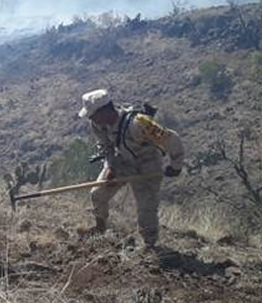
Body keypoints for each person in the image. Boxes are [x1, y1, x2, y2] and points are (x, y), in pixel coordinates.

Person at [77, 89, 184, 248]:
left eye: (93, 114)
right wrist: (110, 167)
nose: (91, 117)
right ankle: (100, 227)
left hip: (148, 166)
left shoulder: (140, 123)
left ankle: (149, 245)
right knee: (98, 193)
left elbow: (171, 139)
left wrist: (176, 165)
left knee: (146, 209)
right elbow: (106, 147)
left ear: (105, 110)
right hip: (123, 162)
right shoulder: (98, 125)